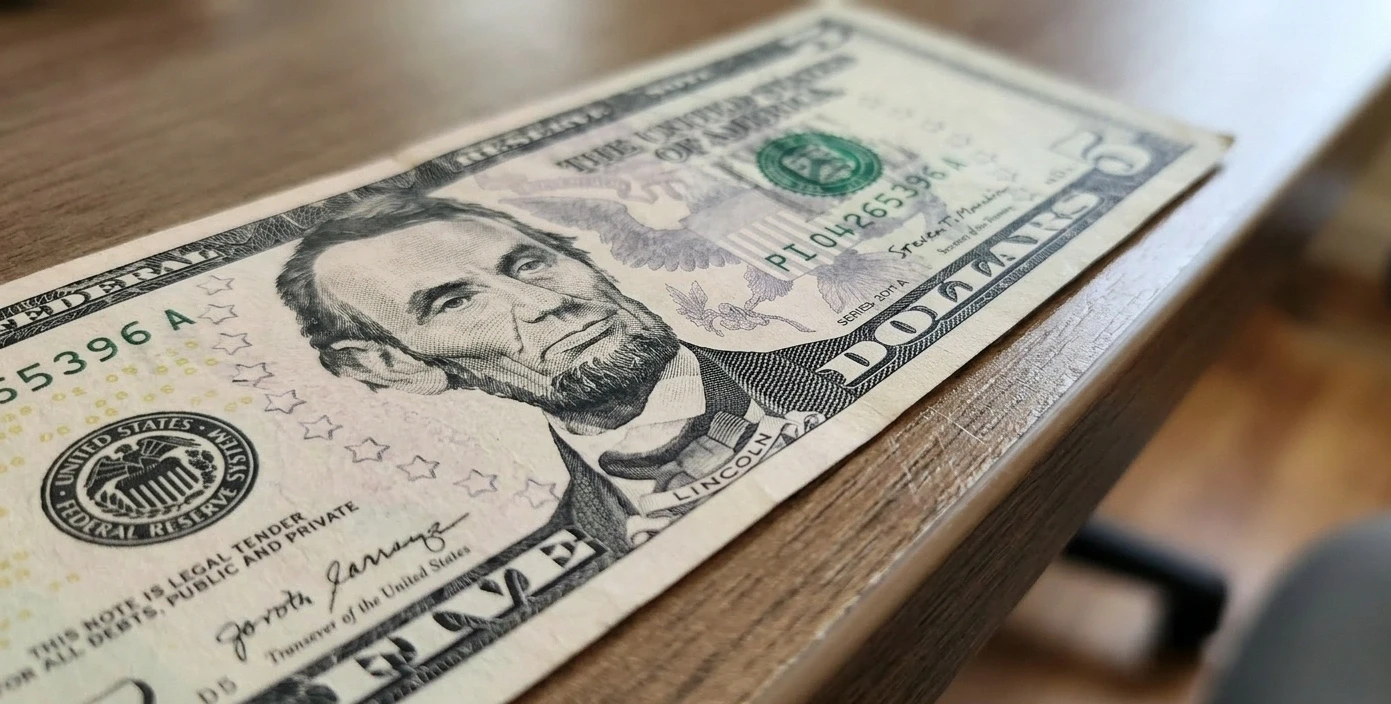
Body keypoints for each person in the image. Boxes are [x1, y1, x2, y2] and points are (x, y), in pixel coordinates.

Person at [276, 192, 846, 554]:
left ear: (583, 259)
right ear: (392, 366)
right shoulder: (575, 541)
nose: (542, 304)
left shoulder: (834, 376)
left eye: (529, 264)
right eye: (454, 303)